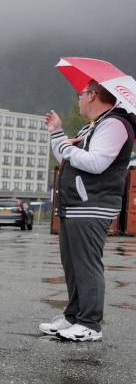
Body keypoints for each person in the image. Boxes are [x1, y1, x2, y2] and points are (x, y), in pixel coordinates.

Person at [40, 80, 134, 341]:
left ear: (93, 96)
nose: (78, 98)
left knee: (86, 265)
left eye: (80, 94)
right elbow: (64, 156)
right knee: (72, 265)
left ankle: (90, 323)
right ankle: (74, 317)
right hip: (75, 205)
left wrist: (67, 146)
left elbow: (96, 163)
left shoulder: (114, 124)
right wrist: (58, 136)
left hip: (92, 205)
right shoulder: (94, 125)